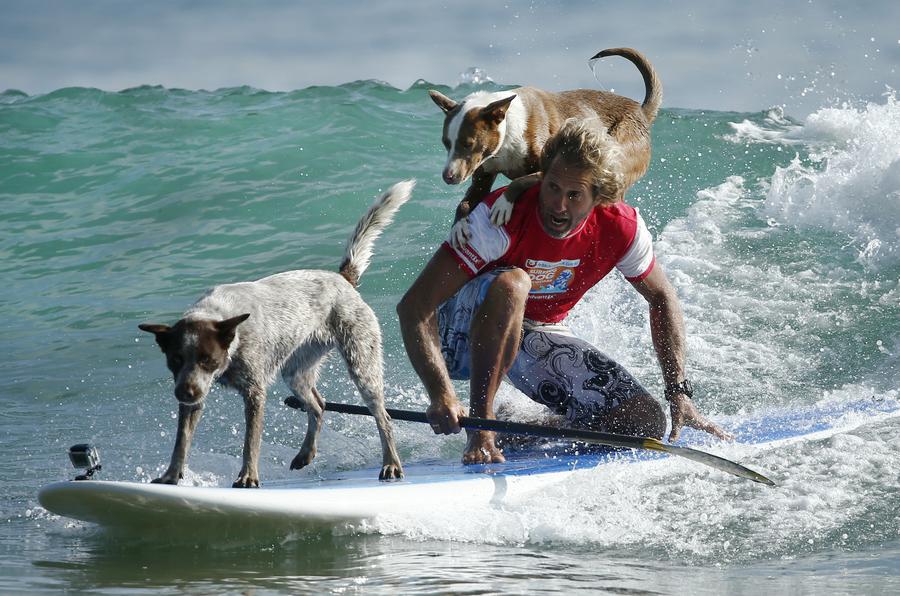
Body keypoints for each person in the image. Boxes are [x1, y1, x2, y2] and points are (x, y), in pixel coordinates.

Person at [397, 119, 732, 464]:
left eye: (574, 196)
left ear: (598, 196)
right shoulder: (499, 220)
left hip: (535, 333)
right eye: (552, 188)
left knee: (642, 423)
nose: (558, 205)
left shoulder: (622, 228)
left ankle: (515, 430)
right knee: (514, 283)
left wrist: (678, 393)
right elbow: (414, 307)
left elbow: (662, 298)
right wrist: (440, 393)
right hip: (462, 336)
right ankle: (481, 427)